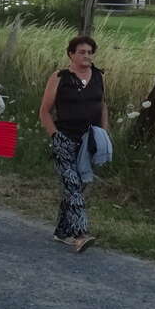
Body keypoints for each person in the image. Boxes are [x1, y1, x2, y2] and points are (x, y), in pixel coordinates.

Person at [38, 35, 108, 254]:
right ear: (71, 54)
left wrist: (104, 133)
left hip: (89, 140)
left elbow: (103, 105)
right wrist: (55, 135)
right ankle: (80, 234)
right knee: (72, 184)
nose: (86, 56)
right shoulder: (60, 77)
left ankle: (62, 231)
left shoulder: (98, 76)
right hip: (65, 138)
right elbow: (44, 111)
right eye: (81, 52)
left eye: (89, 52)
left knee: (80, 185)